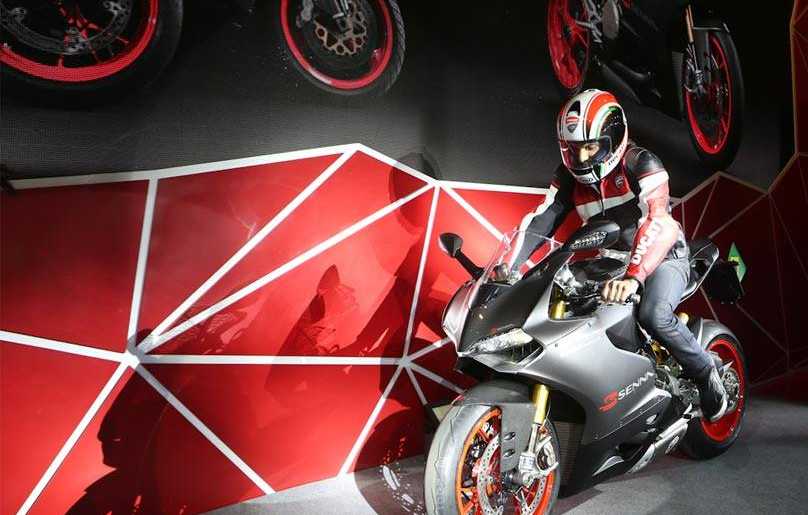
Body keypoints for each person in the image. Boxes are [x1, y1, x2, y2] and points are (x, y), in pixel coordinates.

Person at [512, 89, 728, 422]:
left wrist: (634, 277)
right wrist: (506, 267)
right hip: (611, 262)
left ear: (613, 138)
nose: (582, 157)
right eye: (573, 149)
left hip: (664, 256)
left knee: (654, 315)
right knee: (555, 297)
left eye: (591, 146)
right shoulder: (569, 177)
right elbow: (542, 220)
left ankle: (705, 372)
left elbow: (658, 221)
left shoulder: (640, 163)